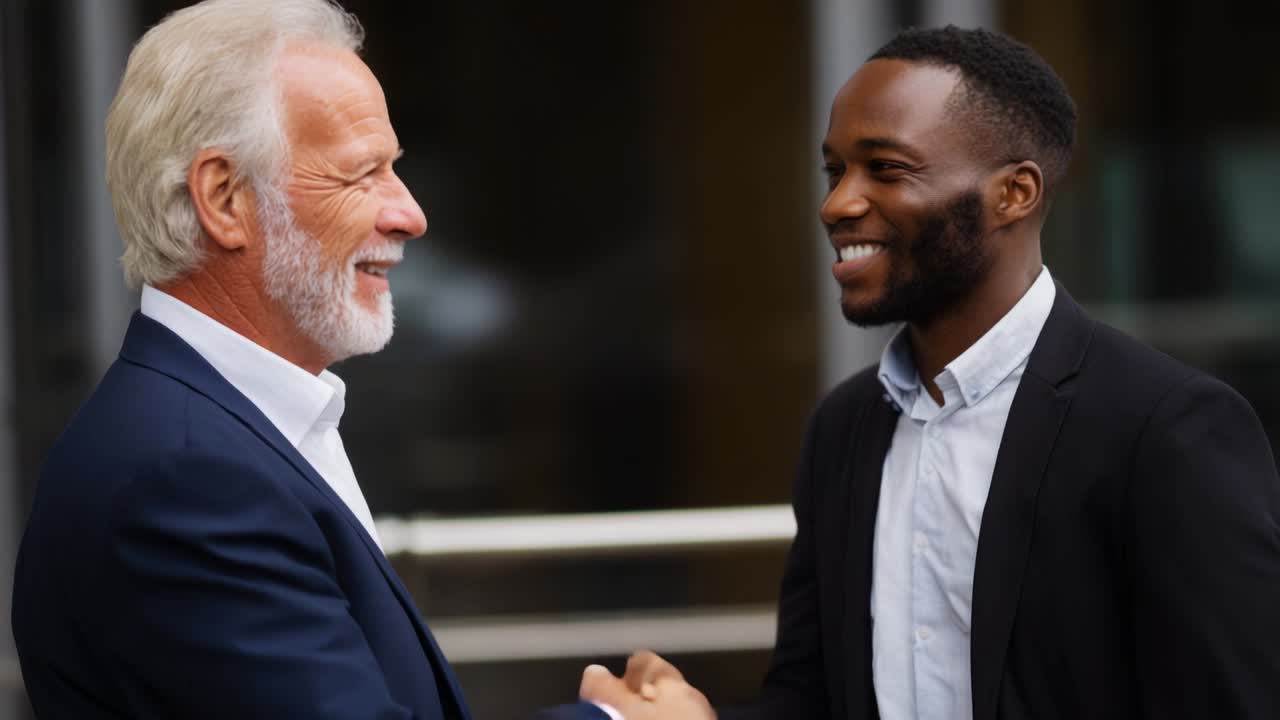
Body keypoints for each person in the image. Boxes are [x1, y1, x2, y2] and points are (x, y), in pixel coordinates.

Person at [9, 1, 711, 718]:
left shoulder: (216, 437)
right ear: (224, 199)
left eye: (394, 170)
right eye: (361, 173)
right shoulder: (185, 475)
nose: (410, 213)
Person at [619, 25, 1280, 720]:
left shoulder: (1164, 428)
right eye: (835, 170)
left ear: (1014, 193)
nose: (837, 203)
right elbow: (811, 698)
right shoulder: (844, 429)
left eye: (886, 168)